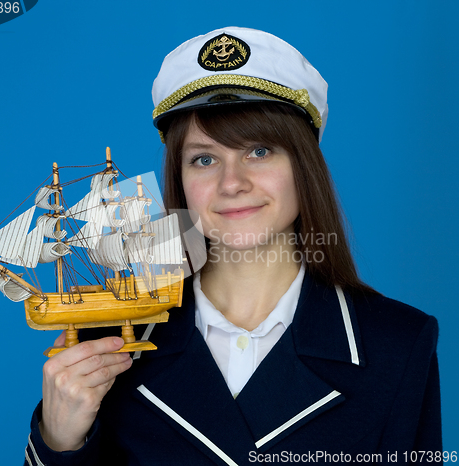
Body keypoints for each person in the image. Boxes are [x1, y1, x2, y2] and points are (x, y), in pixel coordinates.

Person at [24, 27, 442, 465]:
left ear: (306, 160)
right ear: (180, 179)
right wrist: (60, 443)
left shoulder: (398, 345)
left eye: (259, 151)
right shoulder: (104, 346)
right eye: (204, 159)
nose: (232, 183)